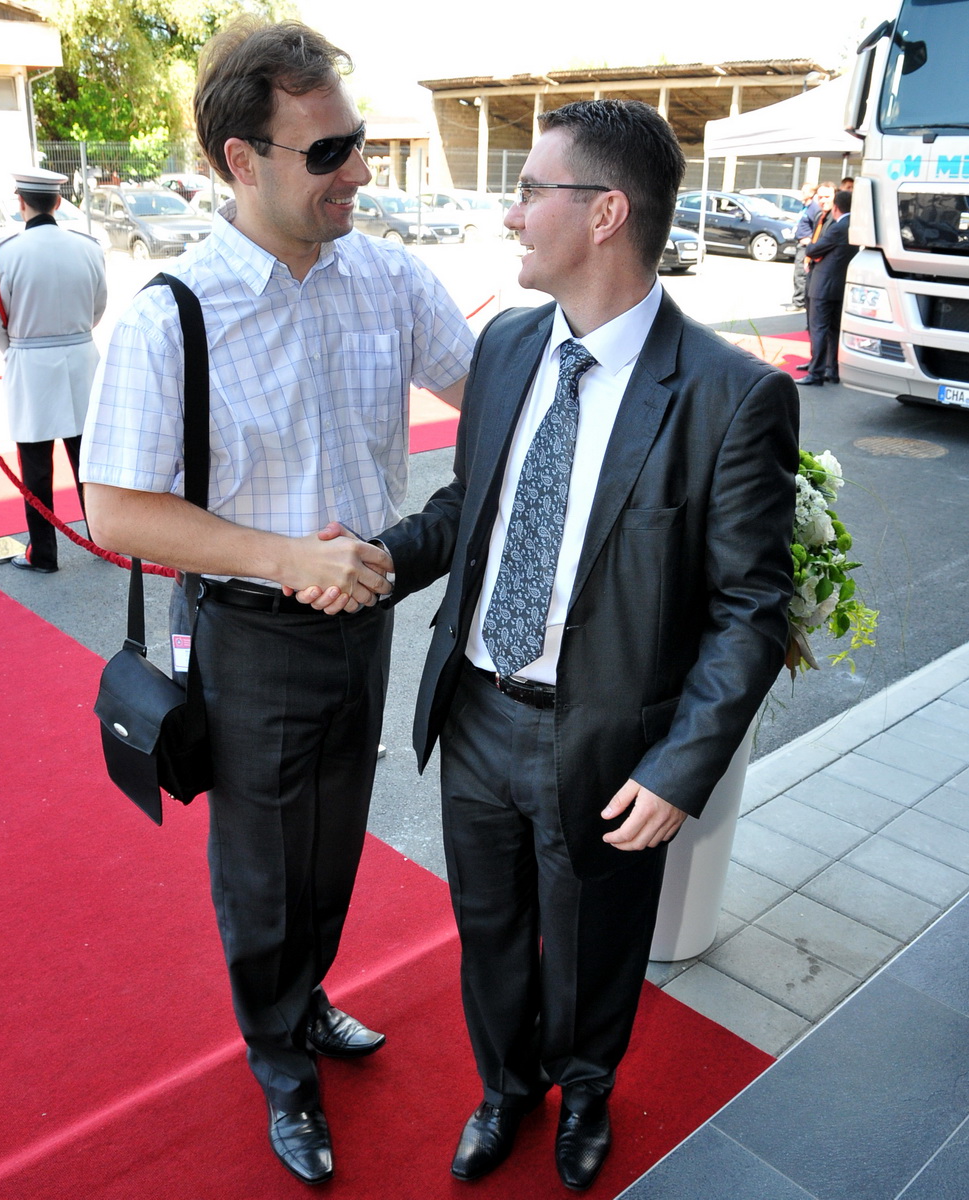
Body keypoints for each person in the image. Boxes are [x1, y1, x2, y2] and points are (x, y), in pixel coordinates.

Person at [359, 99, 797, 1191]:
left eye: (529, 192)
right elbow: (471, 507)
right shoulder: (510, 345)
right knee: (490, 928)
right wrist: (373, 562)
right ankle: (505, 1087)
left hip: (603, 742)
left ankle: (587, 1087)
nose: (510, 216)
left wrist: (681, 766)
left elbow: (750, 606)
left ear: (605, 213)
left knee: (596, 936)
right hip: (476, 707)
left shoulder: (730, 394)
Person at [79, 17, 473, 1187]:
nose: (358, 171)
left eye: (358, 142)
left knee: (336, 840)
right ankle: (279, 1062)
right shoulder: (175, 312)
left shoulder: (388, 278)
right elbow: (116, 512)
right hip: (250, 633)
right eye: (329, 151)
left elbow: (485, 390)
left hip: (366, 621)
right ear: (241, 160)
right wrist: (286, 557)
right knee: (261, 870)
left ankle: (304, 999)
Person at [0, 167, 107, 574]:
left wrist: (19, 350)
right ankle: (105, 541)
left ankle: (43, 554)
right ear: (57, 202)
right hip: (81, 360)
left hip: (30, 364)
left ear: (21, 202)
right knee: (89, 463)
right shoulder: (88, 248)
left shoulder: (4, 253)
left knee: (35, 469)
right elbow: (98, 308)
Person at [798, 188, 859, 386]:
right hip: (840, 286)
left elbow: (813, 248)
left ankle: (816, 372)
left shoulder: (839, 227)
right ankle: (832, 370)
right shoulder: (855, 225)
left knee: (819, 330)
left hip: (823, 286)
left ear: (836, 207)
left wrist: (810, 245)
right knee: (833, 330)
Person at [788, 181, 834, 311]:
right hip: (802, 246)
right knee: (799, 274)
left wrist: (811, 242)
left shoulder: (816, 209)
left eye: (804, 191)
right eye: (821, 197)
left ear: (811, 193)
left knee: (801, 275)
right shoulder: (806, 207)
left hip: (808, 248)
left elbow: (818, 230)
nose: (801, 194)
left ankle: (799, 302)